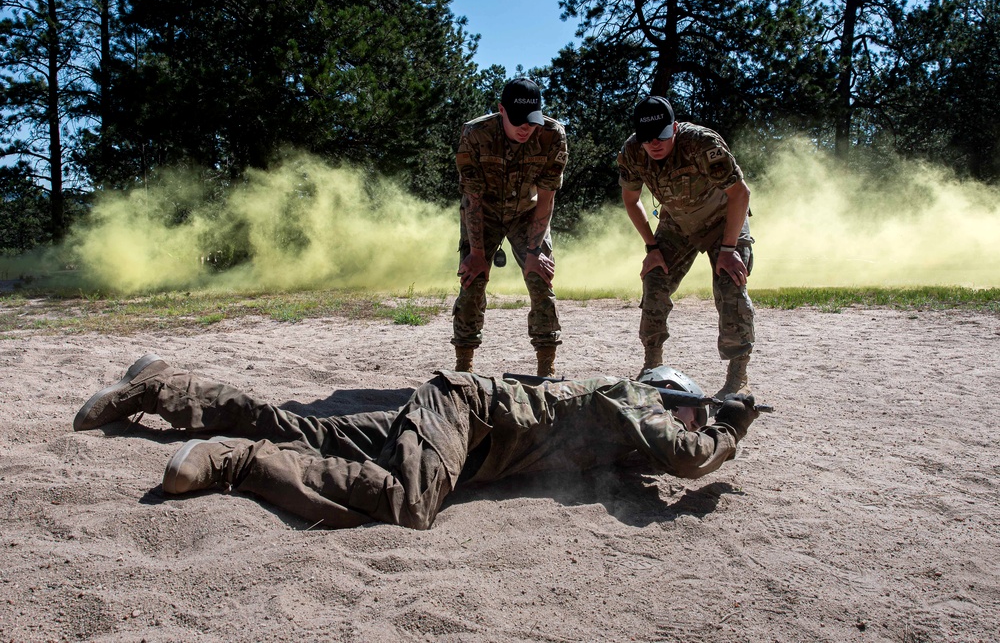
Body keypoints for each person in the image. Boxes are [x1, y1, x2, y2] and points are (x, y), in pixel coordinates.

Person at [73, 354, 760, 531]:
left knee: (303, 428)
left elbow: (650, 465)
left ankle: (159, 389)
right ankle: (234, 462)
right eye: (687, 411)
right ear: (669, 396)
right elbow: (687, 458)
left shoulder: (621, 438)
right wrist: (729, 423)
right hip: (461, 414)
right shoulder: (636, 397)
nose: (686, 425)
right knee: (409, 505)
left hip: (455, 425)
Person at [617, 96, 757, 398]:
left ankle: (737, 378)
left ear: (675, 128)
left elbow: (740, 194)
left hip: (724, 220)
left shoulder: (702, 143)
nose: (655, 144)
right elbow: (631, 200)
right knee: (654, 278)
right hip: (678, 222)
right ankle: (651, 368)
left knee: (729, 284)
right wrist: (651, 247)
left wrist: (729, 249)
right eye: (647, 138)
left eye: (662, 136)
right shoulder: (632, 152)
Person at [453, 77, 569, 377]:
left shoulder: (553, 135)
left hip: (527, 213)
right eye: (517, 121)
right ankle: (463, 369)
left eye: (530, 122)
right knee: (472, 281)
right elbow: (472, 198)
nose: (525, 128)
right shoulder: (475, 134)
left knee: (541, 279)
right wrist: (477, 253)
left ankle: (546, 370)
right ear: (501, 110)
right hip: (484, 212)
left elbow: (546, 198)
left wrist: (533, 250)